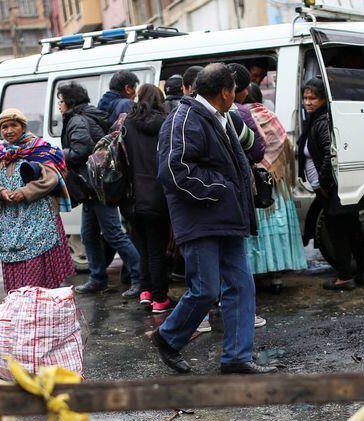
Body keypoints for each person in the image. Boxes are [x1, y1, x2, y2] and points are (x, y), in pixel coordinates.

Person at [152, 63, 275, 375]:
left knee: (241, 286)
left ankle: (237, 357)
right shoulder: (184, 118)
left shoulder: (223, 117)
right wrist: (219, 190)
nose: (237, 93)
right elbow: (174, 170)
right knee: (206, 289)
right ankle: (168, 338)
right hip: (202, 219)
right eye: (234, 89)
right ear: (225, 91)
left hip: (227, 218)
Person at [58, 82, 143, 297]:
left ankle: (140, 279)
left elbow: (81, 149)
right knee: (89, 234)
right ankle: (97, 279)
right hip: (94, 185)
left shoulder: (77, 120)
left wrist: (57, 154)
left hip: (95, 185)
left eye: (61, 101)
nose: (59, 105)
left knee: (114, 234)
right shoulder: (89, 114)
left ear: (69, 102)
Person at [0, 108, 75, 291]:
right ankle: (22, 309)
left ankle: (40, 309)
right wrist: (1, 193)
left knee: (37, 267)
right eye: (4, 127)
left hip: (38, 219)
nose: (9, 130)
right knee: (15, 266)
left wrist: (25, 192)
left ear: (23, 127)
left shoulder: (39, 149)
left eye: (13, 125)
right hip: (9, 219)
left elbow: (51, 178)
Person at [298, 78, 364, 290]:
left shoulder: (321, 122)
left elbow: (330, 155)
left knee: (337, 230)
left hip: (331, 188)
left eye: (313, 98)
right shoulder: (317, 119)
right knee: (352, 226)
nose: (308, 102)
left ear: (323, 99)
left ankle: (345, 277)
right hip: (336, 186)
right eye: (305, 98)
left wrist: (324, 182)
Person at [243, 83, 307, 290]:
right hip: (274, 184)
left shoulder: (240, 117)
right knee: (276, 228)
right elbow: (283, 144)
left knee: (256, 232)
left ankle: (253, 272)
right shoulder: (270, 116)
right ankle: (276, 276)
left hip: (254, 184)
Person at [122, 84, 172, 312]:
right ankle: (160, 298)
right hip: (158, 195)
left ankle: (145, 291)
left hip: (131, 197)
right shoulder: (166, 122)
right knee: (157, 249)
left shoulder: (127, 123)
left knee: (142, 247)